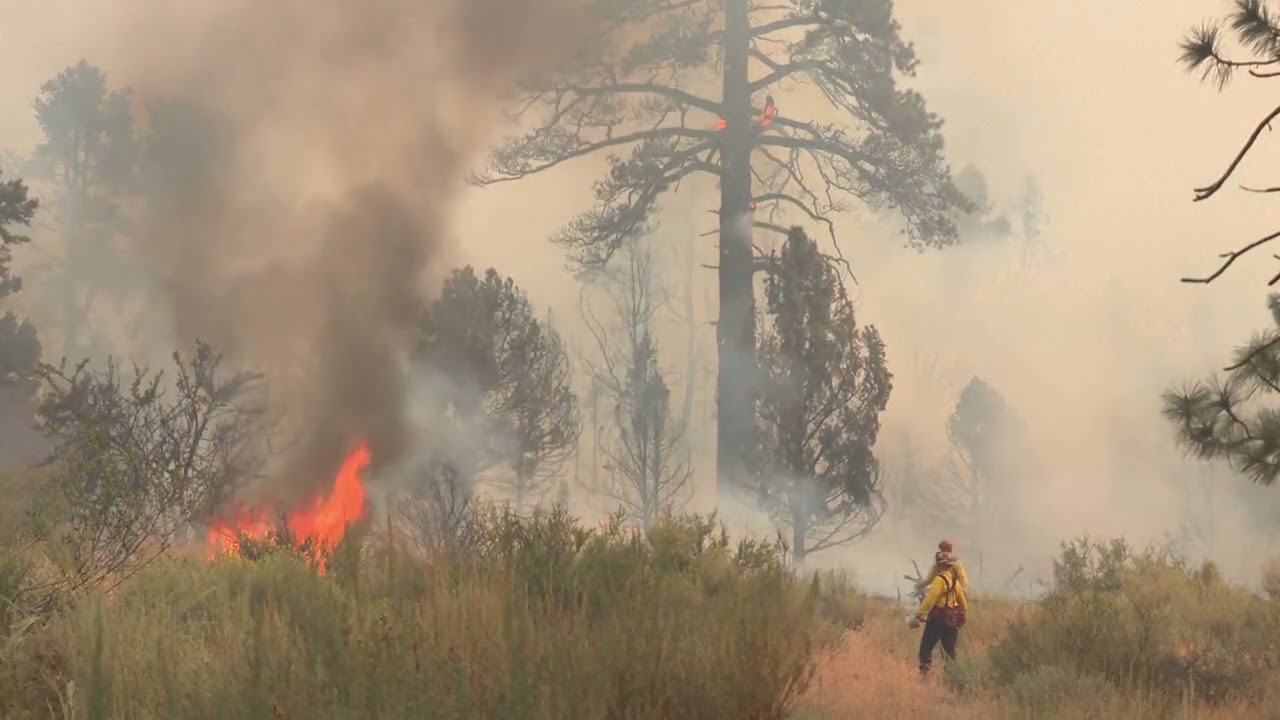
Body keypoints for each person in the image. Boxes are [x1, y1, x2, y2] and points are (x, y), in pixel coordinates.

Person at [909, 549, 968, 675]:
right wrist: (961, 614)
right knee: (950, 652)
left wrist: (918, 614)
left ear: (940, 565)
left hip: (937, 621)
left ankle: (924, 675)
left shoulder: (939, 580)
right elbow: (963, 604)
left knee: (925, 648)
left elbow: (930, 600)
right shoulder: (955, 582)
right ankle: (953, 676)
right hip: (952, 622)